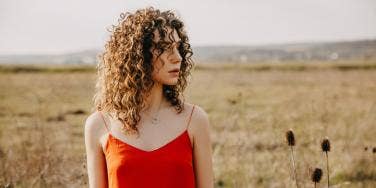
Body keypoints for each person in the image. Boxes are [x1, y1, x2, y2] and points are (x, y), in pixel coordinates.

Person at [84, 7, 214, 188]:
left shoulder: (194, 119)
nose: (177, 58)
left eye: (177, 48)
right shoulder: (99, 124)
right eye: (163, 48)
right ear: (137, 55)